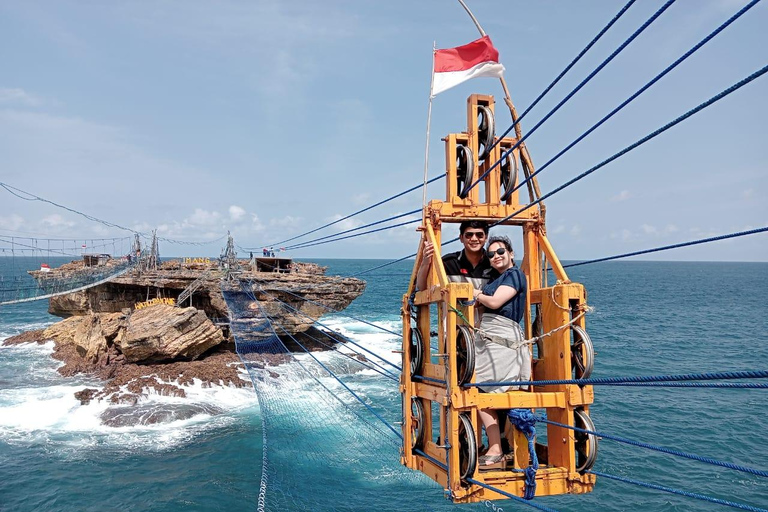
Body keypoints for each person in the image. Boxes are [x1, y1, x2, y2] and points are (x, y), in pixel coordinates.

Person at [471, 234, 530, 466]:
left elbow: (495, 303)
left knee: (482, 391)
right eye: (491, 254)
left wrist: (476, 294)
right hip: (490, 341)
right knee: (488, 392)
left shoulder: (514, 275)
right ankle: (501, 444)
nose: (495, 256)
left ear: (511, 254)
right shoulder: (496, 279)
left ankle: (495, 448)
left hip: (502, 341)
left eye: (500, 252)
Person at [415, 220, 493, 292]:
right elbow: (422, 287)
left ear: (486, 238)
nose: (474, 239)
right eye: (469, 235)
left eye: (479, 235)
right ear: (461, 238)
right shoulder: (448, 263)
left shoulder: (493, 263)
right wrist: (425, 262)